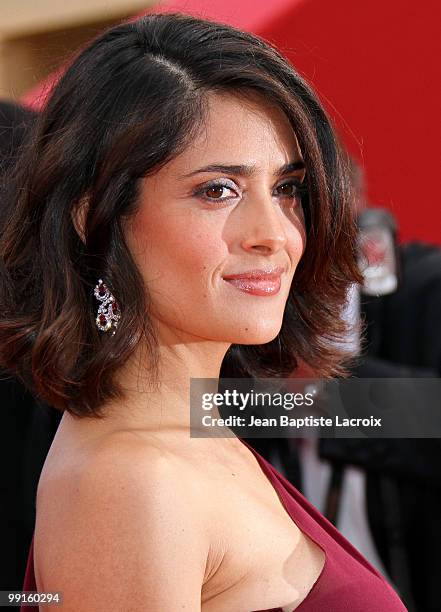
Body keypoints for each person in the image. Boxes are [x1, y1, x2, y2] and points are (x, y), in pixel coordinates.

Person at [0, 12, 407, 611]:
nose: (274, 234)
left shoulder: (195, 430)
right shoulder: (134, 484)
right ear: (96, 217)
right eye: (217, 190)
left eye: (287, 188)